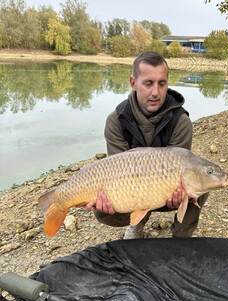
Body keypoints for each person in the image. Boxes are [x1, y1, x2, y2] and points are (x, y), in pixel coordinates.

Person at [85, 50, 208, 239]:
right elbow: (116, 174)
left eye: (162, 83)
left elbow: (182, 167)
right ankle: (136, 224)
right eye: (148, 83)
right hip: (131, 188)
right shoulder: (116, 121)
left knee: (200, 183)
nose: (155, 92)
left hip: (168, 190)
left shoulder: (181, 121)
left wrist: (182, 194)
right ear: (133, 83)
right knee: (102, 210)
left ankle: (182, 236)